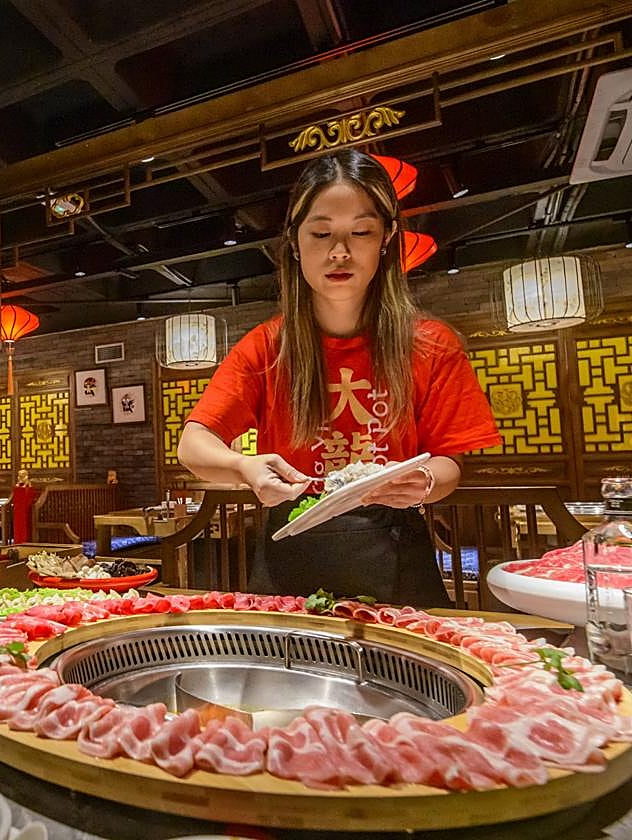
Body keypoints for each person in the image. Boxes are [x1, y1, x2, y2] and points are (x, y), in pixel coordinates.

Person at [177, 148, 501, 607]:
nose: (339, 252)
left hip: (395, 546)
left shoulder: (431, 344)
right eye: (321, 233)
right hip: (291, 547)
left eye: (361, 232)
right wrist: (243, 467)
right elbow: (193, 444)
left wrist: (426, 480)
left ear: (387, 238)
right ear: (295, 242)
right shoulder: (267, 346)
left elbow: (450, 462)